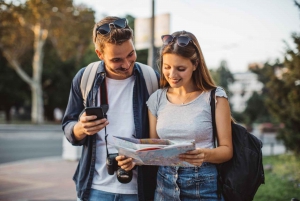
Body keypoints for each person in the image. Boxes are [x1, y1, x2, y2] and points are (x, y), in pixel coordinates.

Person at [118, 31, 233, 200]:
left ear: (195, 64)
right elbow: (156, 149)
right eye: (167, 67)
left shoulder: (215, 97)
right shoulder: (156, 98)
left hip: (203, 186)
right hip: (165, 185)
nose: (172, 75)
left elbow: (227, 150)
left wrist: (204, 154)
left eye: (180, 69)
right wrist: (134, 159)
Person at [62, 16, 159, 201]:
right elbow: (68, 125)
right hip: (94, 189)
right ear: (100, 54)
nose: (127, 64)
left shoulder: (151, 78)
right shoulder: (85, 77)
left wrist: (139, 156)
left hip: (139, 191)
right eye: (116, 59)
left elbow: (161, 136)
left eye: (130, 54)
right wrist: (80, 129)